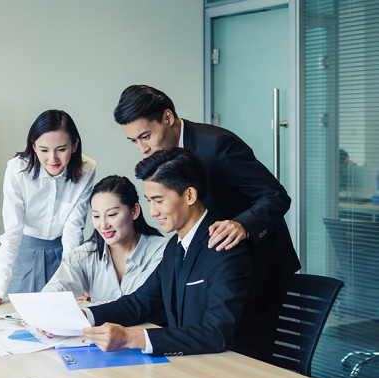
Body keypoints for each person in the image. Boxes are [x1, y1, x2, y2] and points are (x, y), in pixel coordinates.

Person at [112, 84, 301, 362]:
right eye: (134, 141)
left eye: (145, 136)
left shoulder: (217, 146)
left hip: (258, 263)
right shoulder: (164, 160)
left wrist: (242, 225)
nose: (142, 148)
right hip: (214, 261)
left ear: (167, 117)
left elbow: (275, 195)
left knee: (251, 358)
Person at [82, 148, 253, 356]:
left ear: (189, 195)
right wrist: (84, 315)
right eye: (149, 201)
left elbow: (216, 332)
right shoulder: (175, 247)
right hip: (188, 364)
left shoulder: (224, 247)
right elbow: (140, 302)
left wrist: (133, 338)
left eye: (159, 200)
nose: (153, 212)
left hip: (227, 370)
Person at [0, 110, 96, 309]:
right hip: (25, 252)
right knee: (20, 319)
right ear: (33, 146)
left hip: (65, 253)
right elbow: (12, 234)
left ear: (75, 145)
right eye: (43, 150)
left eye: (61, 149)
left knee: (67, 315)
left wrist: (75, 282)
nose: (53, 159)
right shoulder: (17, 170)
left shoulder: (87, 169)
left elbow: (73, 232)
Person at [42, 175, 168, 305]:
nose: (103, 225)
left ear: (135, 211)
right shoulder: (84, 255)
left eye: (112, 215)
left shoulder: (162, 252)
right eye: (96, 216)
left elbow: (140, 305)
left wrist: (87, 307)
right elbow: (52, 293)